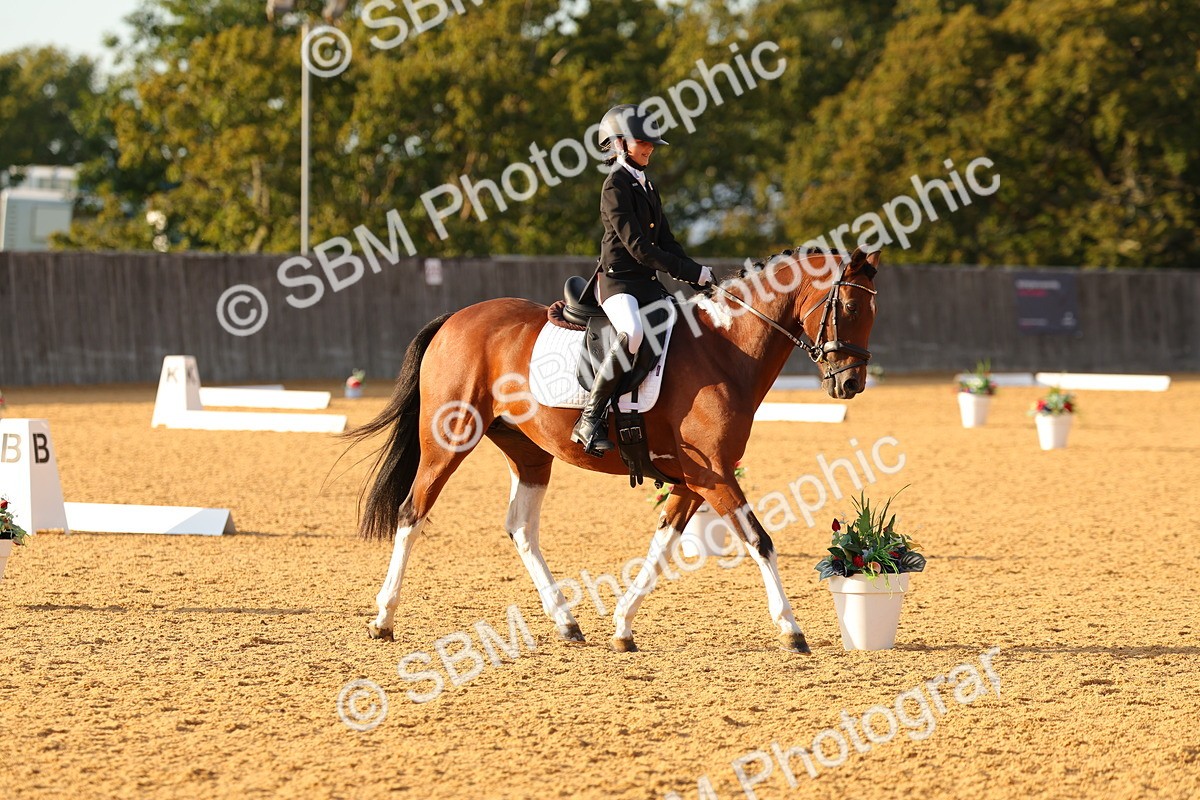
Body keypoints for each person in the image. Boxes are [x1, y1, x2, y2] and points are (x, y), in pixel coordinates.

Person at [570, 104, 715, 457]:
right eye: (642, 142)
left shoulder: (648, 185)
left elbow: (667, 242)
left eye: (651, 143)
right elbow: (639, 248)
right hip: (618, 282)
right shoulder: (615, 187)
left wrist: (698, 273)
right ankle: (590, 417)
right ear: (619, 144)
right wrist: (687, 272)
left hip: (646, 284)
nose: (649, 148)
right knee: (633, 332)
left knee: (682, 325)